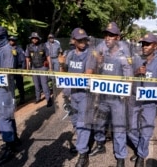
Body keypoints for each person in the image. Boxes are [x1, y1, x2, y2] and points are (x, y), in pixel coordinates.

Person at [89, 22, 133, 167]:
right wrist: (96, 61)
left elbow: (128, 73)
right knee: (99, 122)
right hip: (102, 95)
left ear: (118, 37)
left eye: (111, 35)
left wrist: (127, 92)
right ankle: (100, 144)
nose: (108, 38)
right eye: (106, 34)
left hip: (117, 97)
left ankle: (120, 156)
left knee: (119, 125)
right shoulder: (101, 46)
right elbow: (93, 57)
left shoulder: (124, 51)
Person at [60, 27, 97, 167]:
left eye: (84, 39)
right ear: (73, 40)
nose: (83, 42)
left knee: (83, 122)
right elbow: (63, 74)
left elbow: (88, 73)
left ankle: (83, 154)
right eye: (79, 39)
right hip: (73, 94)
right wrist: (62, 64)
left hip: (86, 94)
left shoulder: (90, 54)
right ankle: (82, 143)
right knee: (75, 121)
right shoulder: (69, 54)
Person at [0, 26, 21, 165]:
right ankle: (14, 139)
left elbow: (7, 72)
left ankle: (10, 147)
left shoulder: (8, 50)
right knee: (7, 116)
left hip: (4, 91)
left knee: (3, 118)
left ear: (3, 37)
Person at [127, 32, 157, 167]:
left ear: (155, 46)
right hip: (135, 99)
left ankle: (141, 155)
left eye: (147, 44)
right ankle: (140, 146)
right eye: (143, 44)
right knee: (130, 127)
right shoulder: (136, 59)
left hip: (150, 102)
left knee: (146, 129)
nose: (144, 46)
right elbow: (127, 76)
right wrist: (136, 72)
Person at [25, 32, 52, 107]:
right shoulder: (28, 47)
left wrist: (50, 67)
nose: (34, 40)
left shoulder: (43, 46)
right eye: (33, 38)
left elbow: (48, 56)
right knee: (36, 84)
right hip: (34, 67)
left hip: (43, 67)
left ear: (38, 39)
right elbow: (27, 58)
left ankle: (48, 99)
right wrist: (27, 68)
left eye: (36, 38)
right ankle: (38, 98)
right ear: (31, 39)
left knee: (44, 84)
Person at [8, 36, 26, 105]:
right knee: (11, 86)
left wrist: (23, 70)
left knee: (19, 85)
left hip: (18, 69)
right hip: (9, 69)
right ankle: (12, 100)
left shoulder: (19, 49)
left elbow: (23, 60)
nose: (11, 41)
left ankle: (22, 99)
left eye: (12, 40)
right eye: (10, 40)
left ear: (15, 41)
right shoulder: (7, 49)